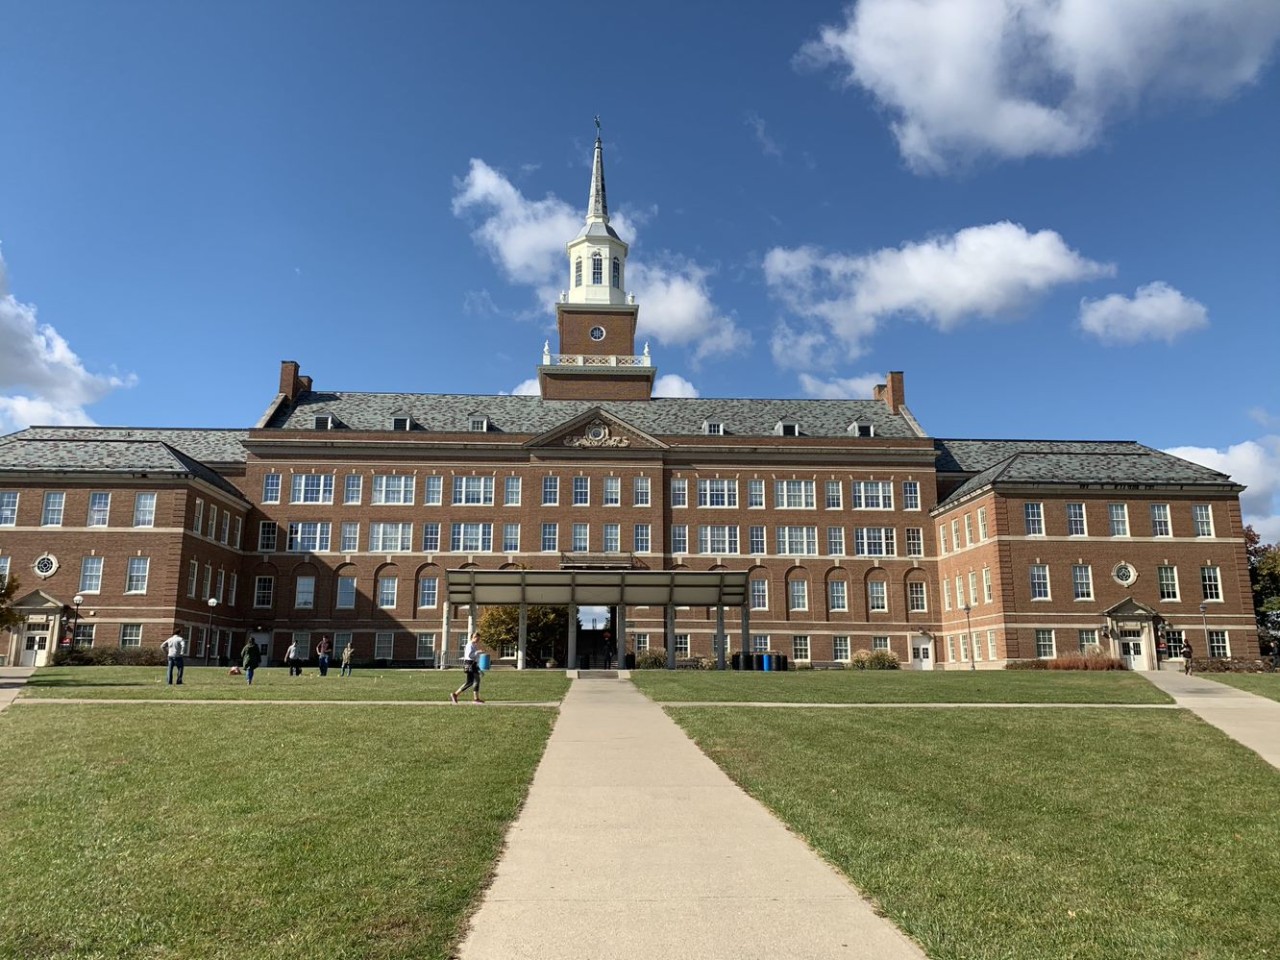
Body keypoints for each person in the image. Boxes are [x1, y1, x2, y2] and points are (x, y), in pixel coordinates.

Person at [451, 633, 485, 704]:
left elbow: (474, 658)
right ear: (472, 637)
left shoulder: (474, 645)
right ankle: (476, 699)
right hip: (470, 664)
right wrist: (478, 652)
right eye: (476, 637)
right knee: (476, 680)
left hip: (472, 664)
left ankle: (455, 694)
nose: (477, 639)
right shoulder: (469, 645)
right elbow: (470, 655)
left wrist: (478, 668)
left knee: (470, 682)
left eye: (478, 638)